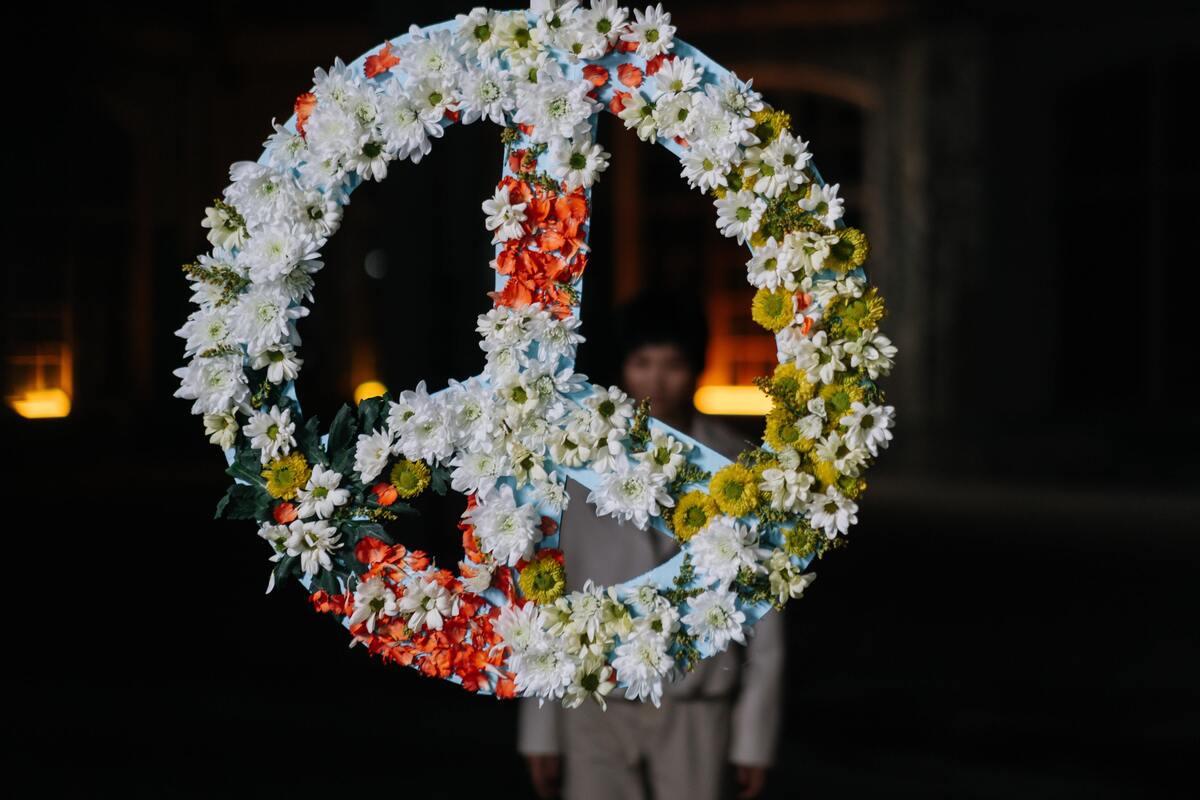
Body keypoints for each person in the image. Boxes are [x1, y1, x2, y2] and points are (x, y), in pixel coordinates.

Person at [517, 287, 787, 800]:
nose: (657, 380)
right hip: (595, 702)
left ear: (699, 367)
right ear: (622, 366)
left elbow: (764, 609)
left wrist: (753, 739)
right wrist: (540, 729)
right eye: (642, 362)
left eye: (673, 364)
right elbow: (546, 600)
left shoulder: (740, 466)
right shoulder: (579, 461)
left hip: (698, 704)